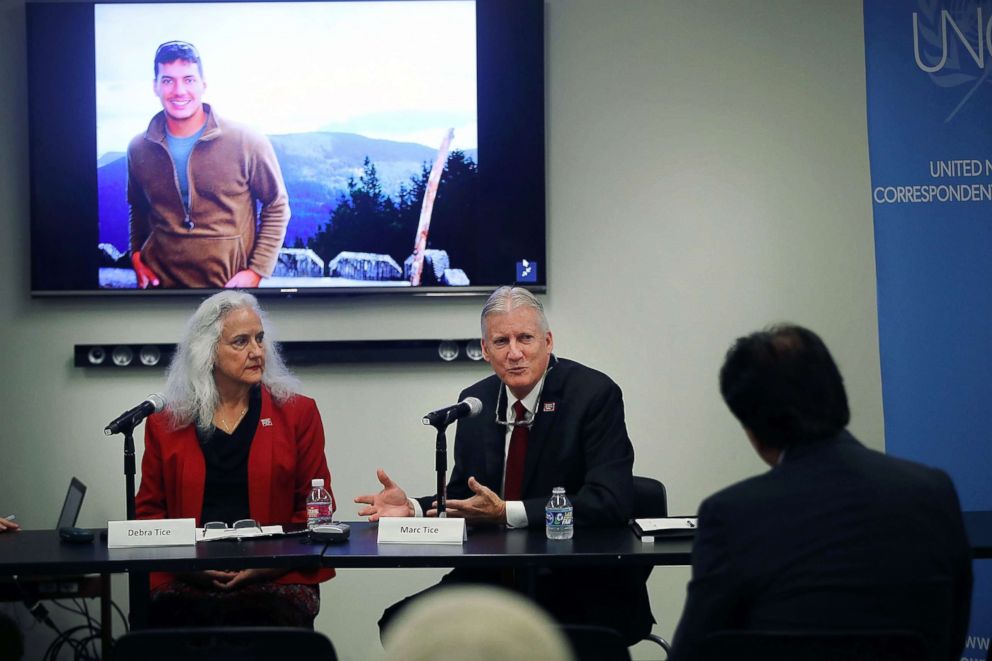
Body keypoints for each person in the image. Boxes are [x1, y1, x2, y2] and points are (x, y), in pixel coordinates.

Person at [355, 286, 654, 644]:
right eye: (501, 341)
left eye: (525, 338)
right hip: (494, 577)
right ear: (485, 349)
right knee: (402, 625)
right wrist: (414, 509)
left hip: (576, 580)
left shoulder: (593, 395)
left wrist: (506, 512)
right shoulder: (476, 402)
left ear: (548, 341)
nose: (514, 353)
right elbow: (463, 496)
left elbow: (609, 500)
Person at [670, 324, 972, 661]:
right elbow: (951, 636)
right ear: (838, 393)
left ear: (751, 427)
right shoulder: (933, 490)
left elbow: (694, 653)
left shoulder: (730, 514)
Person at [135, 290, 333, 627]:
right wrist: (190, 568)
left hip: (277, 574)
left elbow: (315, 511)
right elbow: (150, 514)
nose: (257, 352)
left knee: (262, 619)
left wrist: (266, 565)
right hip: (185, 575)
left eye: (259, 338)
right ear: (207, 353)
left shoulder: (298, 413)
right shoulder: (165, 422)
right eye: (240, 342)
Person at [127, 41, 290, 289]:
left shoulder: (247, 141)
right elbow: (138, 208)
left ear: (204, 85)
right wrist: (136, 255)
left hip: (227, 291)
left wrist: (256, 272)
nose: (179, 90)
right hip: (159, 292)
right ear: (155, 87)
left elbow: (276, 204)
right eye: (168, 80)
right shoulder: (139, 148)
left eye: (189, 79)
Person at [383, 585, 574, 661]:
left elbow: (600, 501)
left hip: (567, 575)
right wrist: (416, 507)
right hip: (488, 567)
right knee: (397, 619)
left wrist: (504, 512)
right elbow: (465, 500)